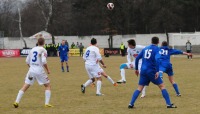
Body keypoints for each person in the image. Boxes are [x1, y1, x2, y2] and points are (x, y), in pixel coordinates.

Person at [128, 37, 177, 109]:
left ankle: (131, 104)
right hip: (151, 71)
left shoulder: (145, 48)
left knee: (139, 88)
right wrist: (157, 71)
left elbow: (137, 58)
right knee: (162, 86)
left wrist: (136, 69)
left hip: (143, 71)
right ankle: (169, 104)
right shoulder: (157, 49)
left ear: (151, 41)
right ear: (158, 42)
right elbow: (157, 60)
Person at [13, 37, 53, 108]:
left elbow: (27, 61)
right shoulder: (43, 50)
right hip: (39, 70)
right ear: (44, 43)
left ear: (37, 42)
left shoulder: (32, 49)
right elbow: (44, 62)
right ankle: (46, 103)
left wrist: (31, 68)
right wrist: (48, 70)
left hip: (31, 70)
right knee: (48, 85)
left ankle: (16, 102)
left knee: (25, 86)